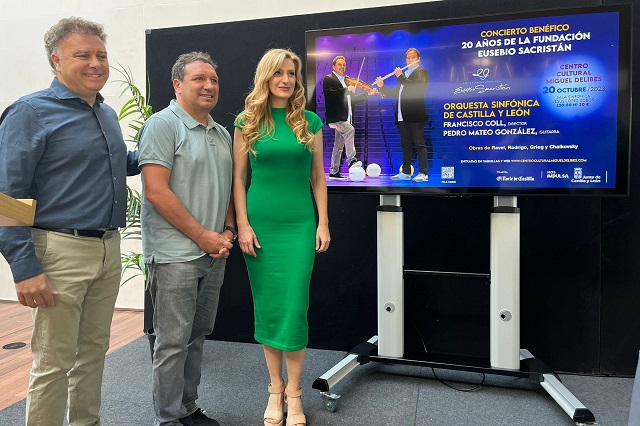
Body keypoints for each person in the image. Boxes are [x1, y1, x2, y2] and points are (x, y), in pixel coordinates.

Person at [0, 17, 139, 425]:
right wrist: (25, 269)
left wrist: (161, 147)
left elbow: (116, 166)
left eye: (101, 55)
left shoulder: (106, 113)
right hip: (59, 251)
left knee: (93, 352)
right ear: (55, 60)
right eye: (83, 55)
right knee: (54, 362)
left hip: (107, 249)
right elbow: (8, 196)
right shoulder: (30, 112)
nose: (96, 63)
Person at [233, 48, 330, 426]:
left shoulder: (310, 121)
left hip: (299, 226)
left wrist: (323, 222)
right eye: (279, 73)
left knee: (294, 306)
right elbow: (238, 179)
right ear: (266, 77)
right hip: (261, 227)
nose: (286, 80)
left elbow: (318, 177)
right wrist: (243, 225)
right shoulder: (246, 121)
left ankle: (295, 393)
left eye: (291, 73)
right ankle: (275, 390)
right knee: (270, 307)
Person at [138, 51, 235, 426]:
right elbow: (156, 192)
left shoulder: (221, 133)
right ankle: (167, 419)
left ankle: (188, 408)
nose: (209, 86)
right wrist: (205, 237)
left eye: (214, 80)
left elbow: (230, 189)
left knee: (197, 335)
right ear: (177, 85)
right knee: (172, 341)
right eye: (199, 79)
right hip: (174, 255)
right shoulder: (162, 125)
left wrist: (227, 232)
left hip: (213, 253)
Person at [375, 47, 430, 182]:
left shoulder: (421, 72)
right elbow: (394, 94)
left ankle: (423, 172)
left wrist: (400, 77)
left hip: (415, 115)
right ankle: (405, 172)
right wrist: (382, 86)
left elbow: (417, 88)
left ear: (418, 59)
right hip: (402, 116)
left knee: (419, 143)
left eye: (413, 57)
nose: (410, 60)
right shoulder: (405, 76)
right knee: (405, 145)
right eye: (408, 58)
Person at [322, 55, 376, 180]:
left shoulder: (345, 81)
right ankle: (352, 160)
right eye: (339, 64)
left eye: (344, 65)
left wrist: (367, 94)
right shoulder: (328, 79)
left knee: (338, 145)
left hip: (345, 116)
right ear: (333, 66)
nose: (342, 66)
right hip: (336, 116)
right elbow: (330, 95)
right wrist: (346, 89)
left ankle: (334, 172)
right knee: (350, 130)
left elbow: (353, 100)